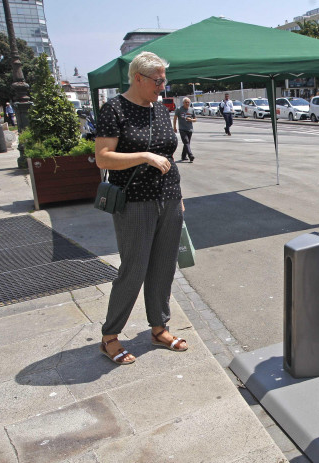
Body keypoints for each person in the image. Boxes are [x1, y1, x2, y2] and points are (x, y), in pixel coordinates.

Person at [95, 51, 188, 365]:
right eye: (158, 80)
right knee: (133, 270)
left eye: (164, 80)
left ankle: (159, 328)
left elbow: (169, 155)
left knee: (163, 266)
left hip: (169, 198)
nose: (162, 85)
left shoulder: (159, 110)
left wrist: (178, 196)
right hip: (134, 201)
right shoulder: (115, 109)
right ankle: (110, 336)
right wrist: (144, 156)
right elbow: (103, 157)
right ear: (138, 77)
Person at [173, 98, 196, 162]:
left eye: (188, 102)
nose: (187, 103)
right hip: (182, 129)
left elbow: (195, 119)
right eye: (186, 102)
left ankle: (183, 156)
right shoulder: (179, 109)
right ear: (183, 103)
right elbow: (175, 118)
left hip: (190, 129)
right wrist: (174, 127)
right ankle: (190, 155)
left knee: (187, 143)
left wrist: (191, 120)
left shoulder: (191, 110)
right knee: (186, 141)